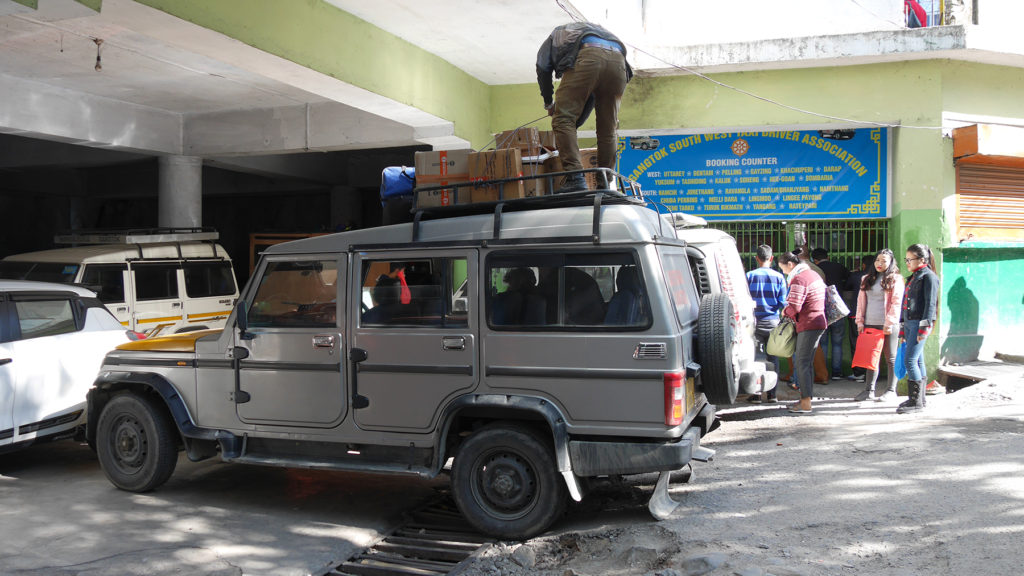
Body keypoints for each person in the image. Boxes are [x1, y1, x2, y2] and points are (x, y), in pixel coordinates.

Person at [537, 22, 632, 192]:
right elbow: (590, 96)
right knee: (608, 129)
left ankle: (575, 178)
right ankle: (605, 183)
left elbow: (542, 66)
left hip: (589, 55)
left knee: (562, 120)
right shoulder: (600, 31)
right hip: (619, 64)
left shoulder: (555, 35)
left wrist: (549, 103)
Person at [777, 248, 827, 414]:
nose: (783, 272)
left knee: (802, 363)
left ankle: (805, 402)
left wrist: (785, 312)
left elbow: (795, 306)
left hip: (809, 323)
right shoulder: (812, 274)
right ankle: (805, 399)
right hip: (817, 321)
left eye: (783, 268)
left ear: (790, 264)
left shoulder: (799, 278)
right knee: (806, 363)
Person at [853, 249, 906, 402]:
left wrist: (889, 323)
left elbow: (897, 303)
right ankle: (869, 390)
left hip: (889, 325)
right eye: (877, 260)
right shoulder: (866, 279)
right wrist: (860, 321)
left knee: (891, 358)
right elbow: (860, 302)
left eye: (884, 261)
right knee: (871, 357)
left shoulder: (896, 279)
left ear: (891, 263)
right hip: (870, 323)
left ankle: (891, 390)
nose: (879, 263)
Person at [897, 244, 939, 414]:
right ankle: (920, 399)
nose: (907, 262)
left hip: (919, 323)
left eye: (910, 259)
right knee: (917, 360)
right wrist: (901, 326)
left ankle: (915, 401)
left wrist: (923, 328)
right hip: (909, 323)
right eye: (906, 259)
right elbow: (904, 304)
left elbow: (930, 304)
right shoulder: (913, 277)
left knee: (909, 360)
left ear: (922, 260)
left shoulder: (929, 277)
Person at [745, 244, 788, 403]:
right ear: (772, 258)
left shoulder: (749, 276)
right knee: (773, 358)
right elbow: (783, 302)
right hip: (773, 322)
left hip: (753, 323)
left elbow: (745, 299)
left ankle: (756, 394)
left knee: (754, 358)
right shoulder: (779, 277)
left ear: (756, 258)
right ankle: (772, 395)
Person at [812, 248, 850, 381]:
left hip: (822, 311)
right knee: (837, 343)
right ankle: (837, 373)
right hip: (837, 310)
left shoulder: (815, 270)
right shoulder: (838, 267)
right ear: (827, 257)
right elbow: (848, 280)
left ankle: (824, 373)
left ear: (815, 260)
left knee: (823, 344)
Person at [844, 254, 875, 382]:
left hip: (856, 315)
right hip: (873, 317)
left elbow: (846, 287)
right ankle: (871, 373)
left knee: (856, 344)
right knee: (872, 346)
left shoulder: (857, 276)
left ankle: (859, 373)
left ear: (863, 264)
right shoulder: (878, 277)